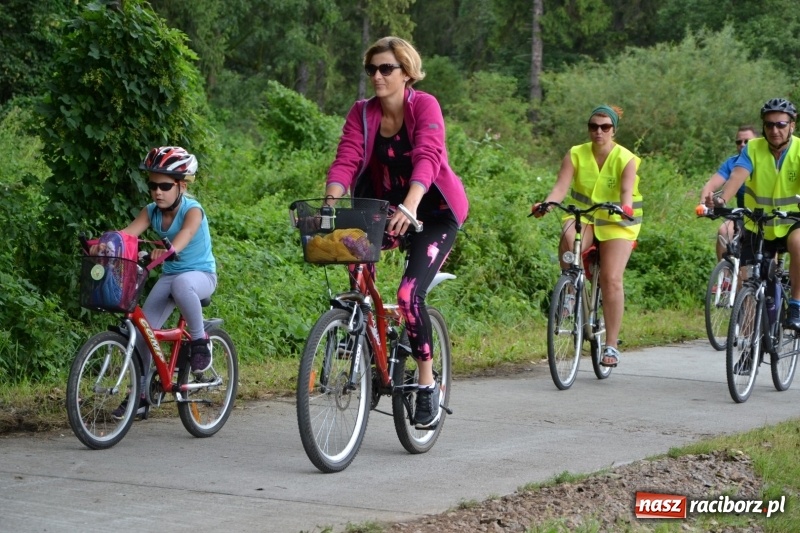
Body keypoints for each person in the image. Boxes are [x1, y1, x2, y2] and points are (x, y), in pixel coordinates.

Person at [324, 36, 469, 429]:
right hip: (381, 211)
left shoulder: (424, 105)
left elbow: (429, 156)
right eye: (371, 69)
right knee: (354, 272)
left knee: (408, 295)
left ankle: (426, 384)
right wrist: (331, 200)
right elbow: (347, 157)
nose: (377, 76)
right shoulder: (362, 112)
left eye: (386, 68)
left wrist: (412, 203)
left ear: (406, 72)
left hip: (432, 211)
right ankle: (365, 344)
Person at [92, 146, 217, 416]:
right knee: (142, 332)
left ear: (181, 186)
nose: (157, 191)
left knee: (182, 284)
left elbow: (185, 235)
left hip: (201, 275)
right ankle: (140, 395)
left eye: (164, 185)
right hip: (171, 276)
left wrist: (171, 249)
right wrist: (104, 245)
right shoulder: (151, 211)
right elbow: (127, 235)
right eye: (152, 185)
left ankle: (199, 340)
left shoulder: (193, 210)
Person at [532, 105, 642, 368]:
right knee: (568, 235)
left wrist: (625, 207)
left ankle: (612, 346)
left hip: (618, 221)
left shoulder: (626, 158)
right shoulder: (575, 154)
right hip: (586, 216)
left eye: (605, 127)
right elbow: (560, 187)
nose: (599, 131)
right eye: (593, 126)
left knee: (611, 278)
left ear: (614, 130)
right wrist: (546, 204)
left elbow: (627, 190)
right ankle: (570, 288)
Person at [712, 98, 800, 330]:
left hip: (792, 222)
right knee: (749, 281)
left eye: (781, 124)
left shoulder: (799, 150)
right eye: (769, 125)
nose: (774, 130)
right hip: (757, 224)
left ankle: (796, 305)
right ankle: (748, 347)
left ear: (792, 125)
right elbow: (737, 176)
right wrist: (721, 199)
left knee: (799, 243)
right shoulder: (753, 148)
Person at [698, 125, 758, 263]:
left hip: (767, 216)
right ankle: (724, 280)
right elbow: (711, 184)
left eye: (747, 141)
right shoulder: (732, 163)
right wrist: (703, 205)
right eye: (739, 142)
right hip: (744, 215)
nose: (742, 145)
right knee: (724, 231)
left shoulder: (765, 161)